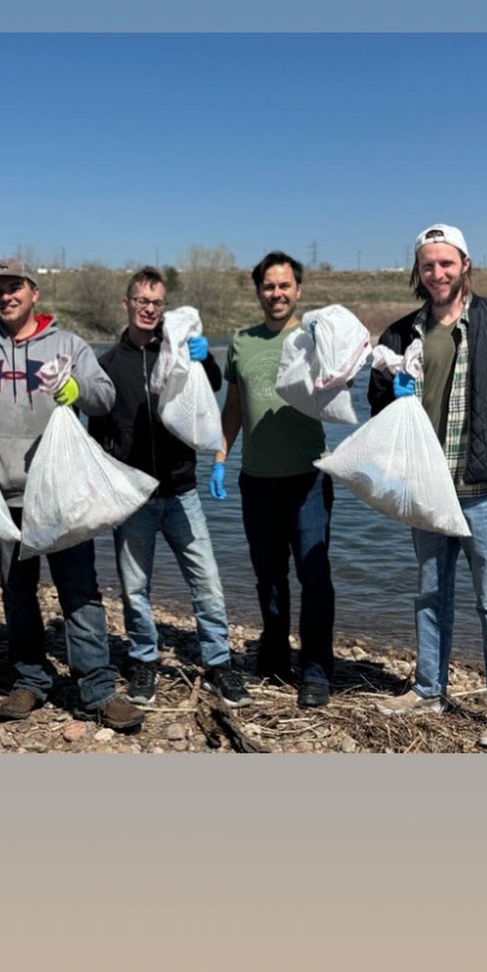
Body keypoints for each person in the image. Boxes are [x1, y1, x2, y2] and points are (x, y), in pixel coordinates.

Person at [367, 223, 487, 750]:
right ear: (418, 270)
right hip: (426, 489)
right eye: (428, 265)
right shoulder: (401, 334)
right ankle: (429, 689)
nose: (438, 273)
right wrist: (388, 389)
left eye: (446, 263)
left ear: (465, 264)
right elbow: (377, 411)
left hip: (483, 490)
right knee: (430, 592)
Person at [0, 258, 143, 732]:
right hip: (2, 498)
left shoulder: (68, 345)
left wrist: (74, 387)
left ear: (35, 292)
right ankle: (31, 678)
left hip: (61, 496)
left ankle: (97, 688)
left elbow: (104, 396)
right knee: (17, 594)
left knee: (80, 592)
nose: (5, 296)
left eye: (14, 287)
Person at [88, 267, 252, 709]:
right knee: (134, 587)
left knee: (207, 582)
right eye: (141, 301)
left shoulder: (176, 349)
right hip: (133, 498)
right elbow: (96, 431)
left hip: (182, 491)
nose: (149, 309)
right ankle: (144, 659)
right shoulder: (108, 365)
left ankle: (218, 663)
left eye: (157, 303)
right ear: (126, 304)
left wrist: (205, 357)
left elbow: (211, 386)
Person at [209, 250, 336, 708]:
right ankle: (276, 655)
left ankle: (316, 670)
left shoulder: (314, 338)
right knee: (269, 577)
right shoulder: (241, 342)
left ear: (298, 290)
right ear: (258, 291)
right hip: (256, 480)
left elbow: (343, 384)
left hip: (308, 479)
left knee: (314, 576)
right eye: (268, 286)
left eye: (284, 285)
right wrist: (220, 456)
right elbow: (234, 406)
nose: (276, 293)